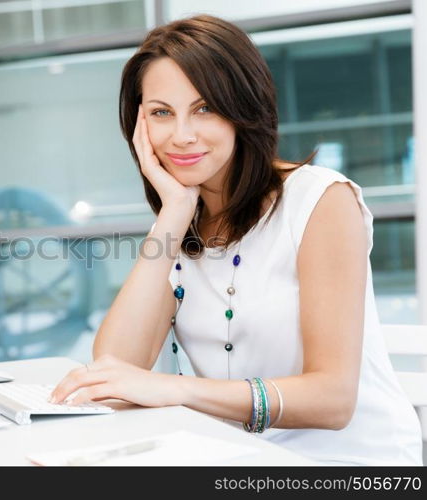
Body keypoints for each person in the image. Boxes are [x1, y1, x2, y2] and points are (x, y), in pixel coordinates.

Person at [48, 14, 423, 465]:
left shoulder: (320, 201)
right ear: (139, 126)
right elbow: (115, 369)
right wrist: (173, 214)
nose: (182, 136)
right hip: (239, 459)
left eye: (204, 108)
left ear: (244, 109)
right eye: (161, 113)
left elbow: (333, 400)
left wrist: (177, 389)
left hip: (348, 463)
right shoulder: (180, 218)